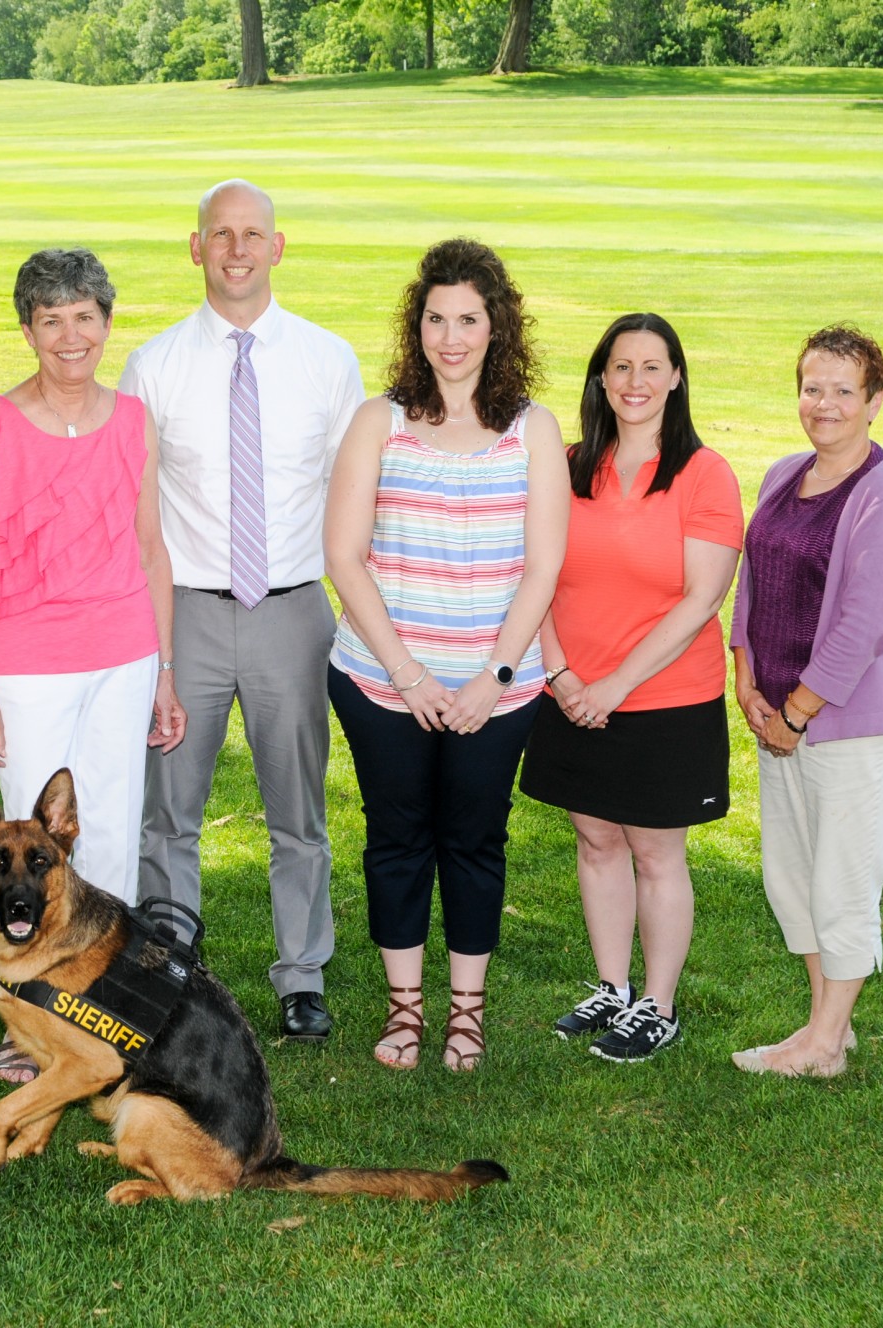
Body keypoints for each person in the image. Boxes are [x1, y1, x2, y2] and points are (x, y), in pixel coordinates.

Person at [122, 180, 365, 1042]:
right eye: (219, 234)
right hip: (183, 609)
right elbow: (135, 510)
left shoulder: (327, 360)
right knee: (168, 810)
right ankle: (167, 966)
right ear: (195, 248)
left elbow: (355, 496)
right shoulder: (152, 365)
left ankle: (301, 975)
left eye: (251, 233)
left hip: (292, 612)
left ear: (277, 245)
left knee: (297, 811)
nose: (235, 249)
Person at [324, 238, 568, 1072]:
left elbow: (543, 566)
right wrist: (409, 674)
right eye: (436, 318)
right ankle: (403, 1011)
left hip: (496, 689)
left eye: (468, 318)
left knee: (472, 841)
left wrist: (490, 679)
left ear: (497, 325)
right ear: (415, 324)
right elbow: (344, 556)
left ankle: (466, 1013)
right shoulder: (377, 420)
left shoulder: (533, 428)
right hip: (380, 678)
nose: (451, 336)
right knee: (395, 840)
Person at [0, 248, 187, 1082]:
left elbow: (152, 549)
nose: (69, 335)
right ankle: (28, 1024)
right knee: (24, 850)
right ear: (27, 330)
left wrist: (162, 671)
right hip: (28, 662)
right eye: (50, 319)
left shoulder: (132, 421)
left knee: (113, 837)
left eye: (84, 316)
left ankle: (104, 1008)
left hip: (123, 653)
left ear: (106, 323)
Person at [520, 313, 743, 1064]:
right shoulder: (570, 463)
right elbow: (538, 577)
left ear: (676, 377)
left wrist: (613, 684)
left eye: (652, 367)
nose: (635, 382)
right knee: (594, 840)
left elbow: (700, 599)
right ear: (600, 378)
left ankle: (659, 1003)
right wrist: (559, 674)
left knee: (655, 852)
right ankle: (612, 988)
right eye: (621, 367)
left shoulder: (702, 474)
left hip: (662, 700)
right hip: (572, 693)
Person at [728, 325, 883, 1078]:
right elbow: (753, 583)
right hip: (774, 710)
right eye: (812, 387)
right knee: (791, 877)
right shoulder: (784, 473)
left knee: (841, 878)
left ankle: (821, 1045)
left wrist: (797, 712)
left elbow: (865, 626)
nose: (824, 404)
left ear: (874, 401)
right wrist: (745, 678)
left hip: (846, 723)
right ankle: (825, 1027)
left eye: (843, 391)